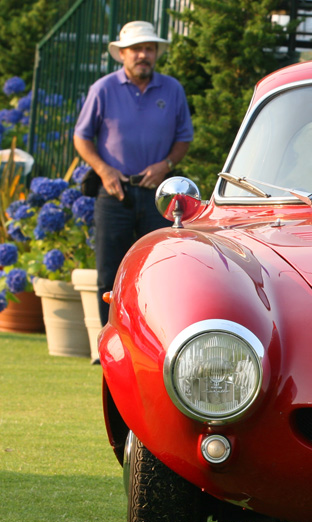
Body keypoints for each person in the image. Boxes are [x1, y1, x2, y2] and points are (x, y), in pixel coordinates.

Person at [73, 20, 193, 326]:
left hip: (158, 196)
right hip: (115, 193)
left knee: (159, 270)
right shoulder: (103, 89)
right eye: (136, 49)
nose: (143, 55)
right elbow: (81, 137)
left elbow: (184, 138)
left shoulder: (172, 89)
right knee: (109, 274)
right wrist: (103, 170)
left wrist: (165, 165)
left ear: (156, 54)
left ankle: (152, 344)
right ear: (122, 54)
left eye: (149, 49)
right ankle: (108, 347)